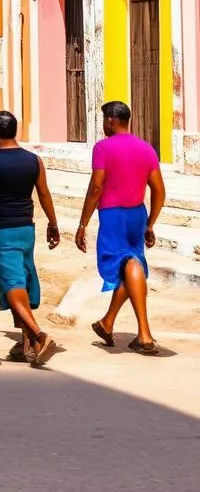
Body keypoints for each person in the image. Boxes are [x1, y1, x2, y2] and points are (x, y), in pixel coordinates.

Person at [0, 111, 60, 367]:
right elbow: (44, 194)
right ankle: (27, 344)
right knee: (23, 280)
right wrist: (53, 223)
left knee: (12, 283)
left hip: (3, 231)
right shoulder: (34, 160)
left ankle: (39, 336)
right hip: (26, 231)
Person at [77, 101, 165, 355]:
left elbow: (96, 187)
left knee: (129, 264)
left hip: (113, 215)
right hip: (137, 214)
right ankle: (108, 322)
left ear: (111, 121)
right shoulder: (146, 149)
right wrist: (150, 223)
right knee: (131, 264)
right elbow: (159, 190)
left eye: (104, 119)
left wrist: (83, 223)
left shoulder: (103, 148)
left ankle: (145, 335)